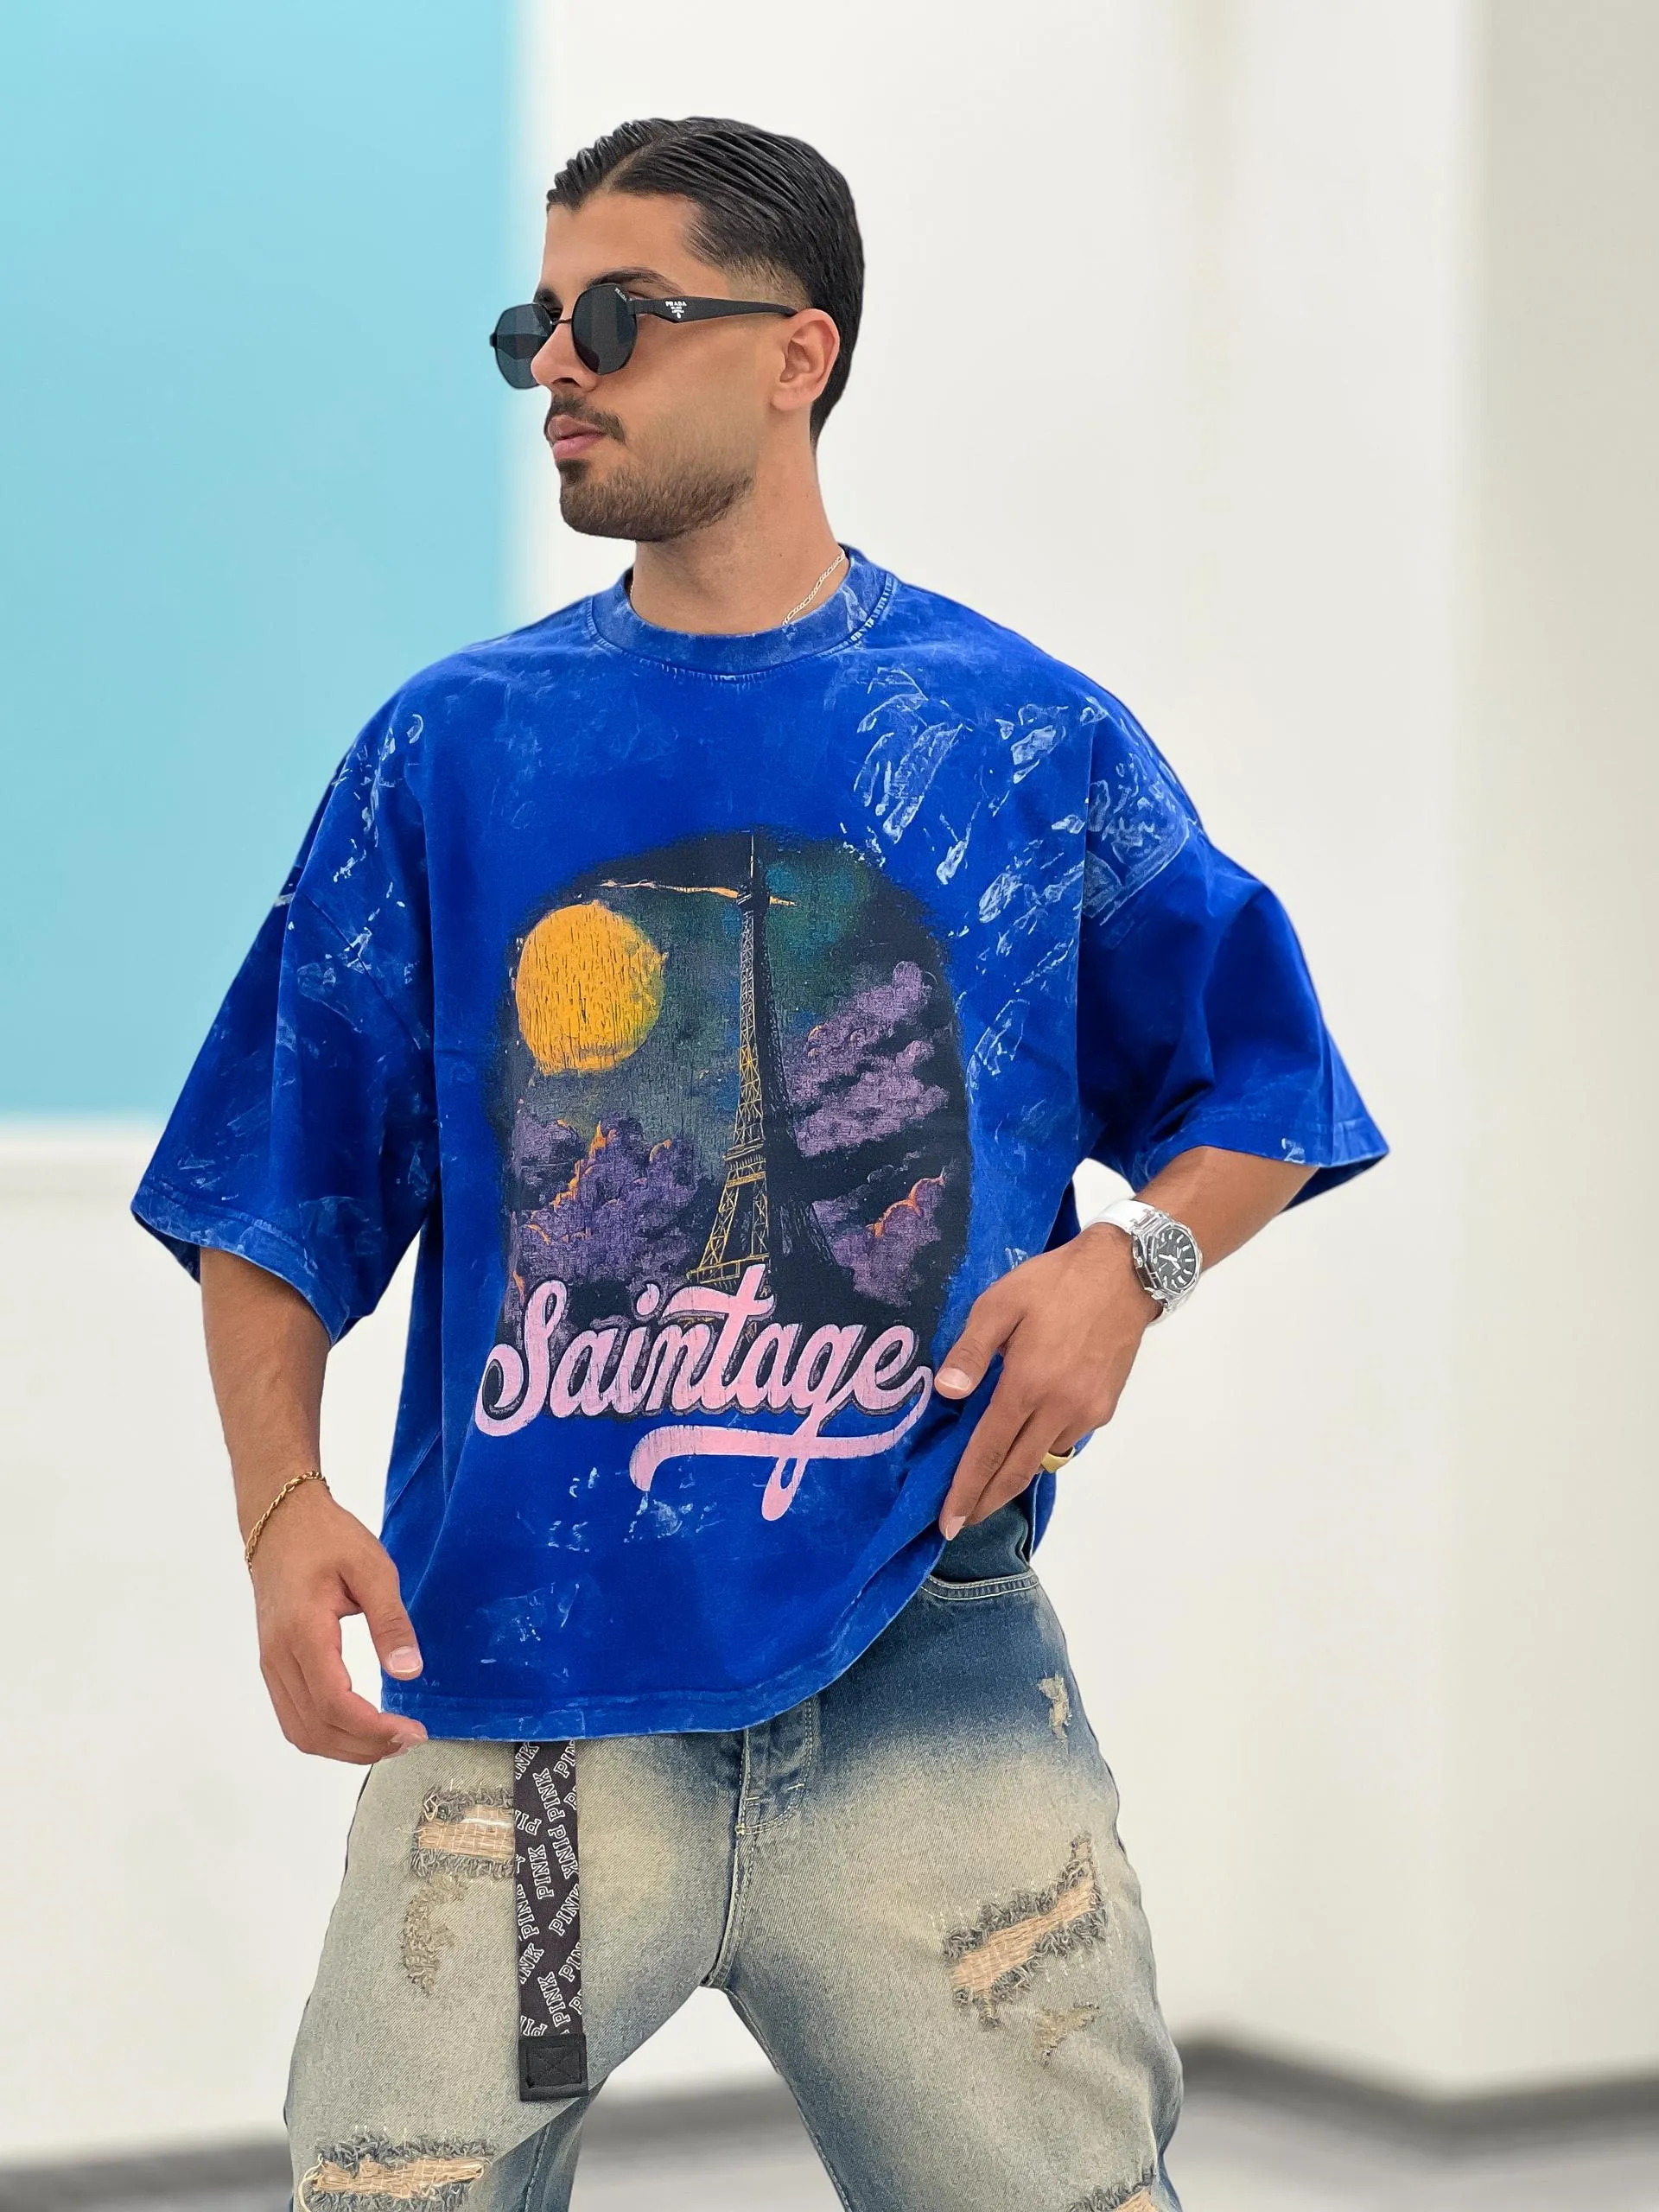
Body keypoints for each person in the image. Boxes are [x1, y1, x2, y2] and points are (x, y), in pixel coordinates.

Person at [134, 115, 1385, 2212]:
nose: (558, 364)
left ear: (799, 354)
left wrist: (1135, 1266)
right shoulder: (456, 752)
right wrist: (279, 1503)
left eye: (618, 316)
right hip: (540, 1731)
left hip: (927, 1683)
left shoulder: (1016, 739)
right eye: (538, 321)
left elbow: (1265, 1076)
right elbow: (277, 1172)